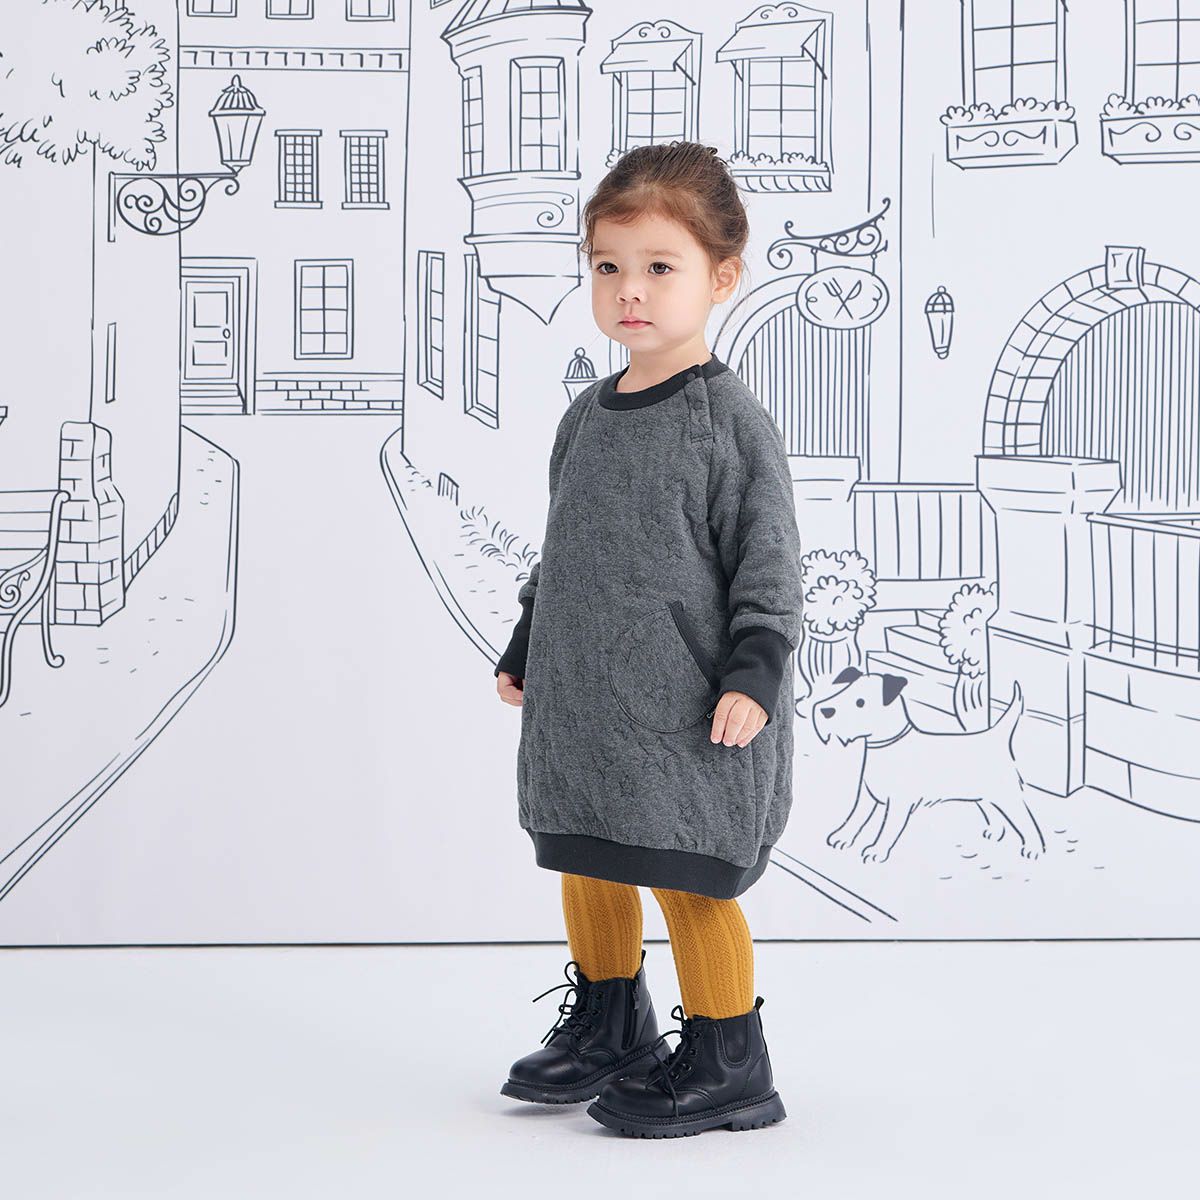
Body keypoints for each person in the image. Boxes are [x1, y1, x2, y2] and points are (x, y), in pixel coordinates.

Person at [493, 141, 804, 1138]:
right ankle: (611, 1023)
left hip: (687, 705)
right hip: (585, 701)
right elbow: (564, 550)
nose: (630, 290)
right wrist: (527, 641)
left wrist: (754, 672)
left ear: (722, 275)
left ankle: (728, 1058)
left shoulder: (730, 423)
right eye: (608, 266)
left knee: (686, 866)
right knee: (588, 852)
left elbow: (769, 564)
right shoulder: (586, 417)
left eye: (660, 266)